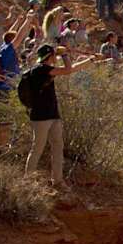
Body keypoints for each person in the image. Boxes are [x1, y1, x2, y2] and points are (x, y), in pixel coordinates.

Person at [22, 44, 94, 186]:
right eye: (55, 55)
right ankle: (27, 180)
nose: (56, 57)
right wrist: (65, 54)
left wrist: (90, 61)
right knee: (37, 148)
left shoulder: (45, 69)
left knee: (57, 146)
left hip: (52, 114)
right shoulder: (40, 70)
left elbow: (70, 69)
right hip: (41, 116)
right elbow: (67, 70)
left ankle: (57, 180)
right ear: (50, 56)